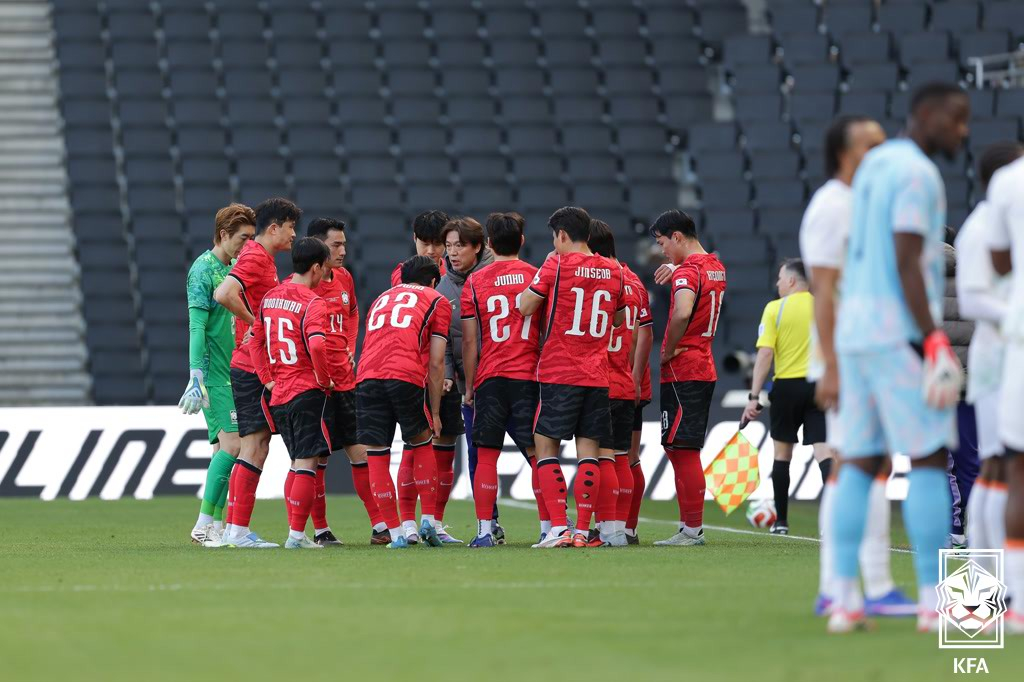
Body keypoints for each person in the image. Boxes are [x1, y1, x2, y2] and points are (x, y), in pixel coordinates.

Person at [829, 82, 968, 634]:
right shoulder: (916, 173)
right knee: (931, 458)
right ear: (928, 116)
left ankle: (843, 599)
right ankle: (937, 605)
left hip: (857, 331)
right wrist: (932, 337)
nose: (962, 131)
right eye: (956, 119)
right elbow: (910, 260)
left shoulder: (875, 166)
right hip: (899, 332)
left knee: (860, 462)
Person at [799, 115, 913, 619]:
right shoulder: (832, 207)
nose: (882, 154)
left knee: (872, 465)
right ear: (847, 153)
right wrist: (833, 365)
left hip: (873, 349)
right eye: (873, 146)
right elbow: (823, 290)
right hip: (849, 355)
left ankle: (866, 584)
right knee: (854, 464)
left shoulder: (862, 203)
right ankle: (841, 585)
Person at [519, 206, 626, 548]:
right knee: (589, 451)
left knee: (545, 445)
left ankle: (556, 528)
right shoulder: (614, 270)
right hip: (596, 373)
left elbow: (525, 306)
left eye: (555, 237)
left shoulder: (557, 263)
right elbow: (621, 318)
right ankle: (582, 530)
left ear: (562, 235)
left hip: (559, 370)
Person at [212, 197, 300, 548]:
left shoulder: (263, 258)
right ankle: (236, 530)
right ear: (274, 227)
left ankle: (235, 528)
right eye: (291, 226)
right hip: (250, 365)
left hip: (249, 363)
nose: (294, 234)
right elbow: (224, 293)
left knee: (256, 444)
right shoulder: (254, 255)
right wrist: (256, 323)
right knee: (255, 446)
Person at [957, 143, 1023, 576]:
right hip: (998, 356)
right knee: (1002, 466)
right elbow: (972, 300)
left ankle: (987, 582)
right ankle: (993, 584)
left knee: (998, 468)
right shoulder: (980, 230)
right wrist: (1015, 316)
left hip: (1004, 352)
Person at [302, 217, 388, 546]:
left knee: (360, 452)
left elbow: (352, 312)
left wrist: (351, 347)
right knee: (317, 458)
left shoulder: (345, 278)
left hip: (346, 381)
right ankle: (320, 529)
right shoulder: (301, 286)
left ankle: (380, 525)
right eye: (336, 245)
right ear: (318, 247)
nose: (343, 250)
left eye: (344, 243)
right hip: (315, 386)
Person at [356, 255, 451, 549]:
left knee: (377, 454)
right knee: (422, 442)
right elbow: (436, 363)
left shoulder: (381, 298)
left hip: (366, 377)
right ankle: (428, 521)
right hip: (405, 375)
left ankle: (396, 533)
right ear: (433, 280)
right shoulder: (438, 299)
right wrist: (434, 411)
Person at [461, 212, 543, 547]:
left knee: (487, 454)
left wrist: (469, 387)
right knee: (539, 453)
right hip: (529, 376)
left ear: (489, 245)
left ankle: (484, 531)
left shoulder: (474, 282)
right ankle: (551, 527)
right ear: (521, 241)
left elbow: (469, 340)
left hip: (490, 377)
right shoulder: (537, 276)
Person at [249, 238, 333, 549]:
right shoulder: (313, 303)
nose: (325, 275)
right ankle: (297, 536)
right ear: (315, 267)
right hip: (305, 390)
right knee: (307, 463)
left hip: (279, 395)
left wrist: (267, 379)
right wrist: (323, 379)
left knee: (296, 463)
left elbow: (254, 342)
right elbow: (317, 345)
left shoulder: (270, 298)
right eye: (324, 270)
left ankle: (295, 532)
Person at [650, 209, 726, 547]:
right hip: (702, 365)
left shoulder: (688, 272)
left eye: (663, 242)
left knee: (682, 449)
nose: (662, 250)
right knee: (680, 446)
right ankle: (688, 527)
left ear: (677, 236)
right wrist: (678, 267)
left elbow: (682, 310)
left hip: (684, 367)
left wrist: (669, 348)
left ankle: (692, 530)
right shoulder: (713, 266)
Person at [180, 203, 256, 546]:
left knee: (221, 452)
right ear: (223, 234)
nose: (248, 244)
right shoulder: (203, 270)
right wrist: (196, 375)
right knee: (235, 445)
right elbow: (197, 326)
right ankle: (202, 525)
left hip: (232, 371)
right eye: (243, 237)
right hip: (214, 375)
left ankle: (218, 526)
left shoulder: (233, 268)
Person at [740, 259, 831, 536]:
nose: (777, 283)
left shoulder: (774, 309)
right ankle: (832, 523)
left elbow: (765, 354)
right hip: (818, 386)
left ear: (791, 281)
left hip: (786, 387)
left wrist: (754, 396)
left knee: (782, 455)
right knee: (824, 452)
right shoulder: (822, 305)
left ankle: (781, 522)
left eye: (780, 278)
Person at [432, 217, 495, 544]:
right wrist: (448, 377)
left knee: (535, 446)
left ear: (478, 247)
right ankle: (490, 522)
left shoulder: (496, 276)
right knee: (477, 452)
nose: (452, 253)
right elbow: (440, 338)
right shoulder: (442, 288)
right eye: (450, 246)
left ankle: (554, 521)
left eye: (460, 246)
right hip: (467, 385)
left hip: (503, 376)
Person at [390, 210, 448, 544]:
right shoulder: (405, 274)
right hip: (416, 370)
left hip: (444, 371)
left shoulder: (453, 269)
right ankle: (408, 521)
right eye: (426, 242)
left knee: (444, 445)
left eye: (437, 243)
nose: (432, 249)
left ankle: (434, 522)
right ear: (414, 240)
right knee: (415, 445)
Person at [987, 144, 1024, 634]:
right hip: (1006, 346)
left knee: (1013, 466)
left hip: (1013, 339)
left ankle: (1011, 597)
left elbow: (998, 263)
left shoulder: (1009, 182)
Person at [587, 219, 641, 547]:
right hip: (624, 376)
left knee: (600, 457)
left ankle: (606, 527)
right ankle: (619, 527)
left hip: (598, 378)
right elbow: (637, 337)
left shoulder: (594, 279)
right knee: (622, 457)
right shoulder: (633, 280)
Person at [626, 272, 654, 544]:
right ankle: (628, 528)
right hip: (633, 382)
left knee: (609, 456)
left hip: (611, 381)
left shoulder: (612, 280)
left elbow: (642, 335)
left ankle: (609, 524)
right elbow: (645, 333)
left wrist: (631, 379)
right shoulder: (635, 281)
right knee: (630, 457)